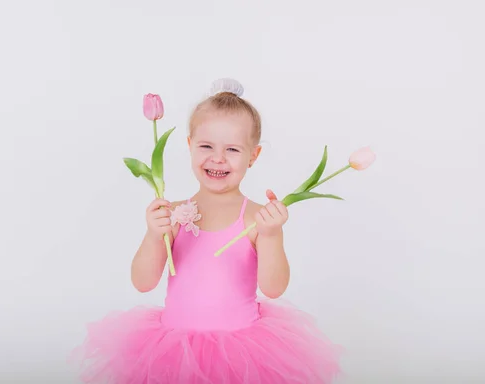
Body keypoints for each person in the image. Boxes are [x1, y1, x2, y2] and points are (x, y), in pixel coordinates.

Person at [70, 78, 341, 383]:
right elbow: (143, 282)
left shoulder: (256, 217)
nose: (218, 158)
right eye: (206, 146)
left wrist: (272, 235)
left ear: (253, 156)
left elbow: (274, 288)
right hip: (173, 349)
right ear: (189, 146)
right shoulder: (172, 214)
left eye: (233, 149)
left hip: (241, 352)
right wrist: (152, 235)